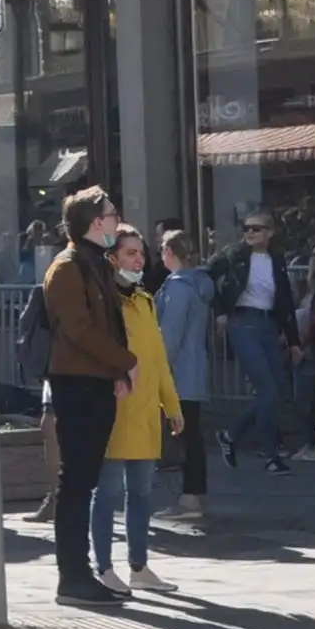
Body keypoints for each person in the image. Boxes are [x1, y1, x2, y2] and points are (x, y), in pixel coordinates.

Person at [43, 186, 138, 606]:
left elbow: (108, 324)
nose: (118, 220)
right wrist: (126, 361)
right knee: (77, 482)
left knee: (84, 480)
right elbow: (79, 330)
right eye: (112, 214)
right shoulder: (67, 267)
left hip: (96, 380)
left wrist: (117, 370)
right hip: (76, 383)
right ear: (96, 222)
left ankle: (80, 576)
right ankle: (73, 576)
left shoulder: (95, 262)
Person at [93, 225, 184, 598]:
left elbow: (158, 359)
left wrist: (172, 405)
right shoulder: (104, 301)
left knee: (142, 493)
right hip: (114, 411)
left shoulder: (145, 300)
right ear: (112, 258)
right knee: (108, 493)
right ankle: (103, 567)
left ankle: (139, 566)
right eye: (130, 253)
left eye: (141, 253)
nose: (139, 260)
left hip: (145, 411)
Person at [221, 204, 303, 474]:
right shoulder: (234, 255)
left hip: (269, 324)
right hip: (243, 323)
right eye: (246, 228)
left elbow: (286, 301)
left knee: (276, 389)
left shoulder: (276, 260)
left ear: (270, 232)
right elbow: (208, 276)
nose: (250, 233)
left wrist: (293, 341)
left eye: (256, 228)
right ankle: (271, 456)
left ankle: (230, 435)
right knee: (266, 390)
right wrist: (220, 311)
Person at [155, 229, 218, 517]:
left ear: (169, 253)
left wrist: (159, 370)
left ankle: (190, 497)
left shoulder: (179, 288)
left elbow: (170, 334)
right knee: (190, 433)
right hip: (192, 367)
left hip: (178, 370)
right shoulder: (198, 284)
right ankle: (194, 494)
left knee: (185, 434)